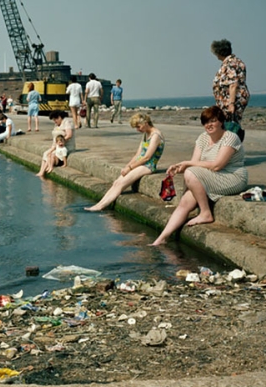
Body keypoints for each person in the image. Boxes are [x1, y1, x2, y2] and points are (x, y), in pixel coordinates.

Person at [150, 106, 247, 246]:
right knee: (185, 202)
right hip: (211, 176)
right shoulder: (202, 138)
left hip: (233, 177)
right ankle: (161, 239)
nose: (209, 125)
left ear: (221, 121)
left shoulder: (230, 137)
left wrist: (187, 164)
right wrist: (178, 167)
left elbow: (217, 165)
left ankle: (206, 213)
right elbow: (195, 164)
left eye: (213, 121)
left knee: (190, 173)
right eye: (206, 122)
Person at [85, 113, 164, 211]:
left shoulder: (155, 135)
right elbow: (138, 155)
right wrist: (127, 166)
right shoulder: (146, 134)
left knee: (121, 184)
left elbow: (147, 157)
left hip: (148, 165)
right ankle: (99, 204)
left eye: (138, 127)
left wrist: (130, 168)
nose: (137, 129)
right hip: (140, 163)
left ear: (146, 123)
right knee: (116, 182)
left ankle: (100, 206)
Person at [211, 39, 249, 141]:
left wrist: (231, 103)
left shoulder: (230, 64)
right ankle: (230, 148)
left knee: (230, 125)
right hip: (233, 98)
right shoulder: (236, 61)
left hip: (231, 99)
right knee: (231, 123)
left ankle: (230, 149)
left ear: (219, 52)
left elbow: (233, 84)